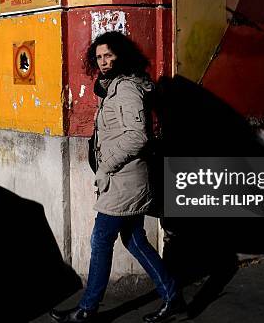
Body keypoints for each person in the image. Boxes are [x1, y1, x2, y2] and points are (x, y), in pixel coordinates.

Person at [49, 32, 186, 323]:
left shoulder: (125, 89)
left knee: (101, 240)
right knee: (135, 240)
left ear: (121, 54)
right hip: (123, 179)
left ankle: (88, 309)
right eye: (99, 57)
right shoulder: (114, 87)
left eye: (108, 55)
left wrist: (106, 167)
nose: (103, 62)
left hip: (125, 180)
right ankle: (173, 297)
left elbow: (137, 136)